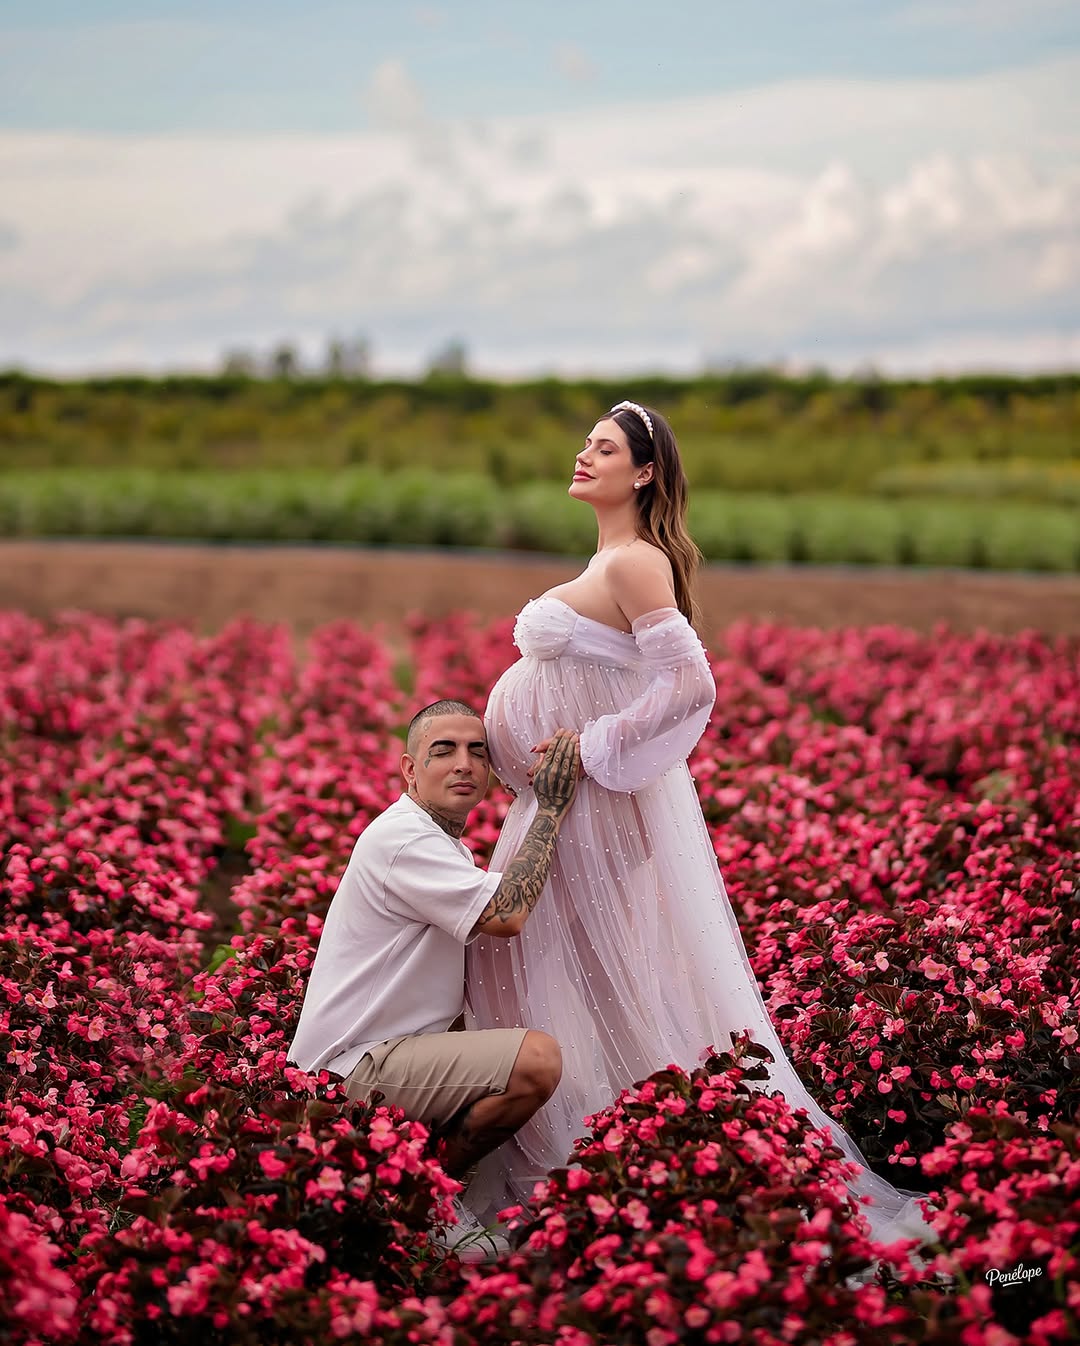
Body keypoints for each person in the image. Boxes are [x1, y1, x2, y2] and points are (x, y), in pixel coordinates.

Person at [464, 400, 936, 1256]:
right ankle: (610, 1143)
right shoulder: (612, 556)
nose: (583, 455)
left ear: (643, 472)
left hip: (592, 808)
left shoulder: (637, 562)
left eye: (602, 448)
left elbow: (692, 684)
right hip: (563, 804)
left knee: (553, 968)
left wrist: (594, 743)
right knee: (550, 971)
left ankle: (631, 1147)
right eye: (585, 444)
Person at [288, 700, 582, 1260]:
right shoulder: (403, 840)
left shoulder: (441, 841)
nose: (463, 764)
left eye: (477, 751)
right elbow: (507, 914)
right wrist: (550, 807)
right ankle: (421, 1207)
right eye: (442, 751)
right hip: (351, 1069)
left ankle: (413, 1194)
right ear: (409, 769)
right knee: (535, 1060)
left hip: (388, 1056)